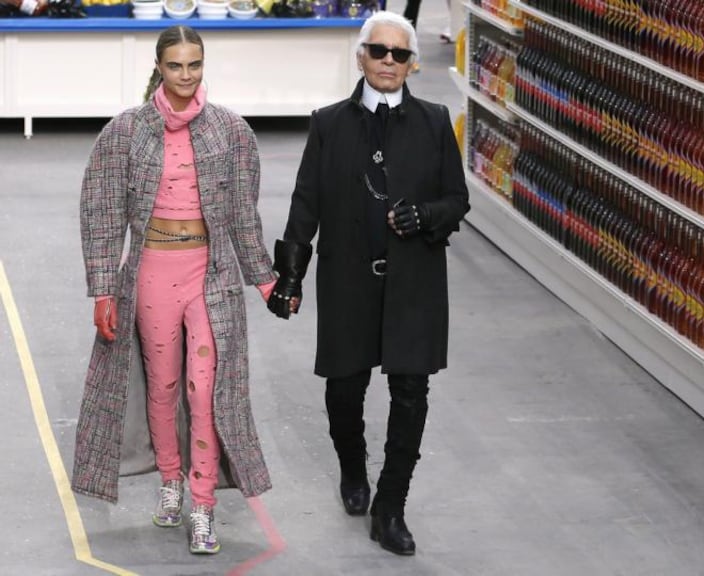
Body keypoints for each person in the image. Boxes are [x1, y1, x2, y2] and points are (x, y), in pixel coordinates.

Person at [268, 11, 469, 556]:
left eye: (399, 54)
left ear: (411, 63)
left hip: (414, 283)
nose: (387, 62)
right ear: (360, 56)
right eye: (378, 51)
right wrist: (288, 276)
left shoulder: (433, 121)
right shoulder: (328, 123)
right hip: (348, 280)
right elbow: (306, 200)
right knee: (343, 388)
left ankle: (391, 506)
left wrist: (424, 217)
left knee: (411, 394)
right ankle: (352, 470)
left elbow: (457, 199)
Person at [74, 25, 277, 556]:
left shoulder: (231, 132)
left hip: (211, 276)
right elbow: (101, 212)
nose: (186, 76)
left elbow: (242, 216)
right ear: (158, 68)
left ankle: (203, 504)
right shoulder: (126, 132)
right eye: (175, 66)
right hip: (151, 276)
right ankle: (170, 480)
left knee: (205, 392)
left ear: (204, 65)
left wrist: (265, 279)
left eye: (195, 65)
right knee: (162, 388)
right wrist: (103, 291)